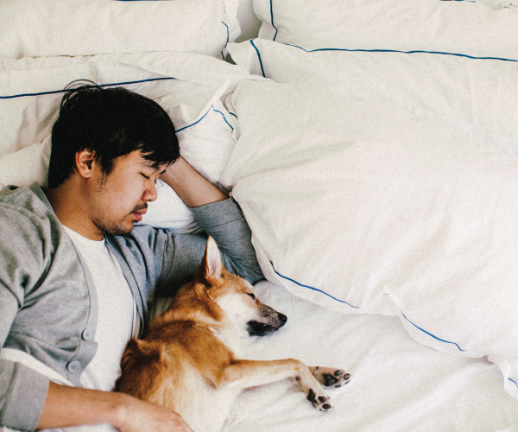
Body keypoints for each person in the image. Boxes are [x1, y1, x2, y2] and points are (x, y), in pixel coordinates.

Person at [0, 83, 264, 432]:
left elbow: (244, 266)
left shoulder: (140, 252)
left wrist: (171, 162)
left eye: (158, 178)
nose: (153, 194)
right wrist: (121, 410)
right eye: (144, 174)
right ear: (88, 161)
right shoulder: (16, 230)